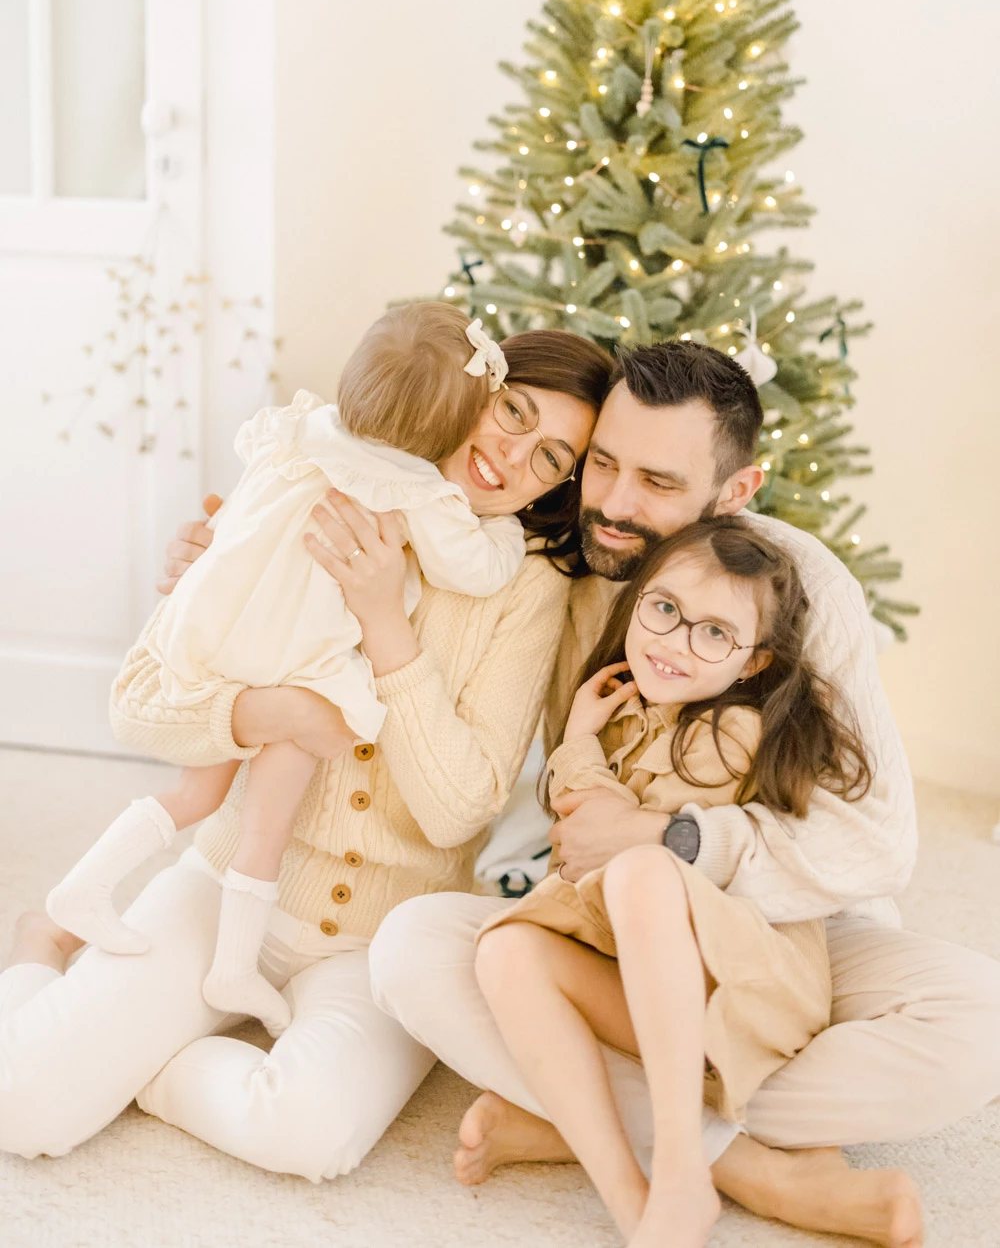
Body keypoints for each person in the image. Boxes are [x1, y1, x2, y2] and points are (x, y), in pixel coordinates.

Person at [366, 341, 1000, 1247]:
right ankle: (747, 1166)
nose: (617, 504)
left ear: (735, 494)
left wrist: (672, 840)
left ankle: (572, 1120)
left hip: (774, 928)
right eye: (605, 464)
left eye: (658, 483)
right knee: (414, 952)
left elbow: (876, 845)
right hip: (611, 938)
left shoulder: (797, 590)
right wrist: (251, 555)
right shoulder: (557, 559)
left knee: (986, 1025)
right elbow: (405, 526)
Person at [0, 327, 607, 1180]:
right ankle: (43, 946)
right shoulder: (306, 483)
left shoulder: (526, 587)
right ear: (475, 387)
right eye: (513, 411)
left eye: (551, 458)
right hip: (229, 881)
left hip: (383, 937)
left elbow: (459, 808)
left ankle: (147, 1065)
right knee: (21, 1105)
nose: (511, 454)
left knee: (309, 1135)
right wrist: (261, 707)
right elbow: (141, 701)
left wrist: (384, 625)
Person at [45, 304, 534, 1036]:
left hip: (220, 631)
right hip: (297, 668)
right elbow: (478, 569)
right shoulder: (415, 492)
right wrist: (508, 533)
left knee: (194, 793)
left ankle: (83, 888)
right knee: (265, 824)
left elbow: (245, 484)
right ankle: (234, 964)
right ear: (454, 432)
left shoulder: (298, 430)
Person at [474, 515, 919, 1248]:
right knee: (502, 952)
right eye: (665, 609)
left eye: (714, 633)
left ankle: (684, 1164)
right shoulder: (632, 714)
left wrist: (579, 745)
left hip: (745, 985)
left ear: (751, 663)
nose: (676, 641)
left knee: (648, 867)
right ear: (640, 599)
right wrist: (592, 737)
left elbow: (608, 835)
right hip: (656, 984)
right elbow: (575, 841)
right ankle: (636, 1207)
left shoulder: (730, 734)